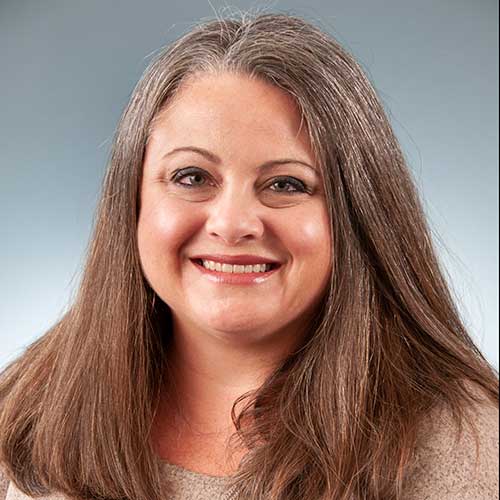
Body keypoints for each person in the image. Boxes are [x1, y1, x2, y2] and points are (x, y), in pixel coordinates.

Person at [0, 10, 498, 500]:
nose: (233, 224)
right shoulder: (24, 407)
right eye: (192, 177)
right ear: (132, 200)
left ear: (360, 214)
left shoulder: (473, 450)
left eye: (286, 184)